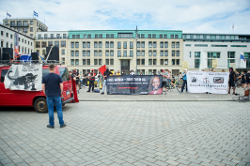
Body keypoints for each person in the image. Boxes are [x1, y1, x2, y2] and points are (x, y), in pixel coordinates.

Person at [42, 64, 66, 128]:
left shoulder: (45, 77)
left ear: (49, 69)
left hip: (49, 95)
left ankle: (51, 124)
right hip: (57, 95)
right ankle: (61, 123)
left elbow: (43, 87)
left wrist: (45, 93)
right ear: (54, 69)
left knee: (50, 110)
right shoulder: (58, 76)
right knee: (59, 110)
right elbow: (61, 85)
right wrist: (60, 92)